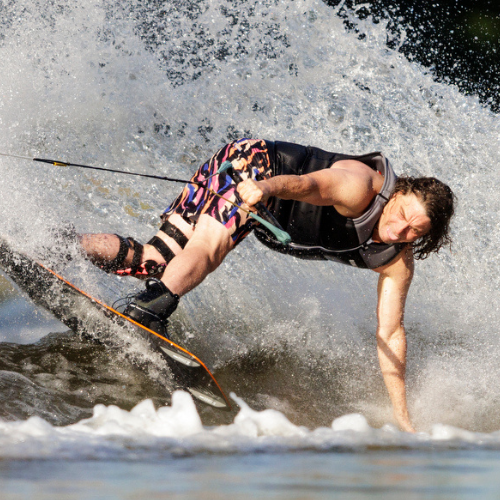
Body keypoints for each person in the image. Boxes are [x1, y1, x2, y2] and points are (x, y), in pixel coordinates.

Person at [79, 138, 455, 433]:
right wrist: (264, 187)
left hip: (259, 189)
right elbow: (308, 183)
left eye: (414, 232)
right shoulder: (357, 188)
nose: (400, 230)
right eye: (403, 215)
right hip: (252, 166)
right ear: (398, 193)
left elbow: (390, 334)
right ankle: (150, 308)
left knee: (156, 258)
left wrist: (402, 417)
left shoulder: (395, 260)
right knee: (208, 248)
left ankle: (63, 244)